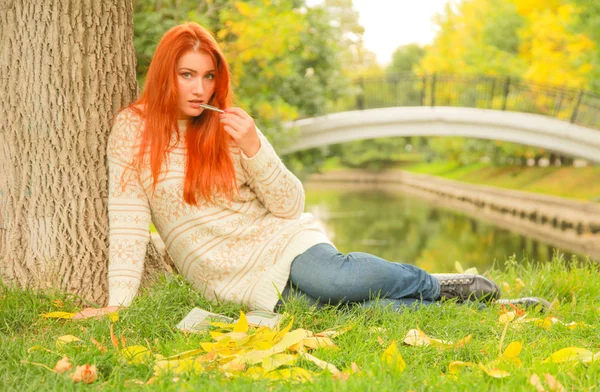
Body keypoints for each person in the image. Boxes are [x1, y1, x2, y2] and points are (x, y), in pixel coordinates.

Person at [76, 22, 545, 319]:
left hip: (280, 241)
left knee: (334, 282)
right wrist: (119, 304)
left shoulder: (228, 128)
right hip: (227, 278)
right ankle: (475, 306)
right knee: (347, 313)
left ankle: (431, 283)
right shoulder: (132, 130)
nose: (201, 88)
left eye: (209, 76)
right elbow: (129, 222)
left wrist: (256, 147)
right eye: (187, 75)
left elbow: (289, 205)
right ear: (164, 74)